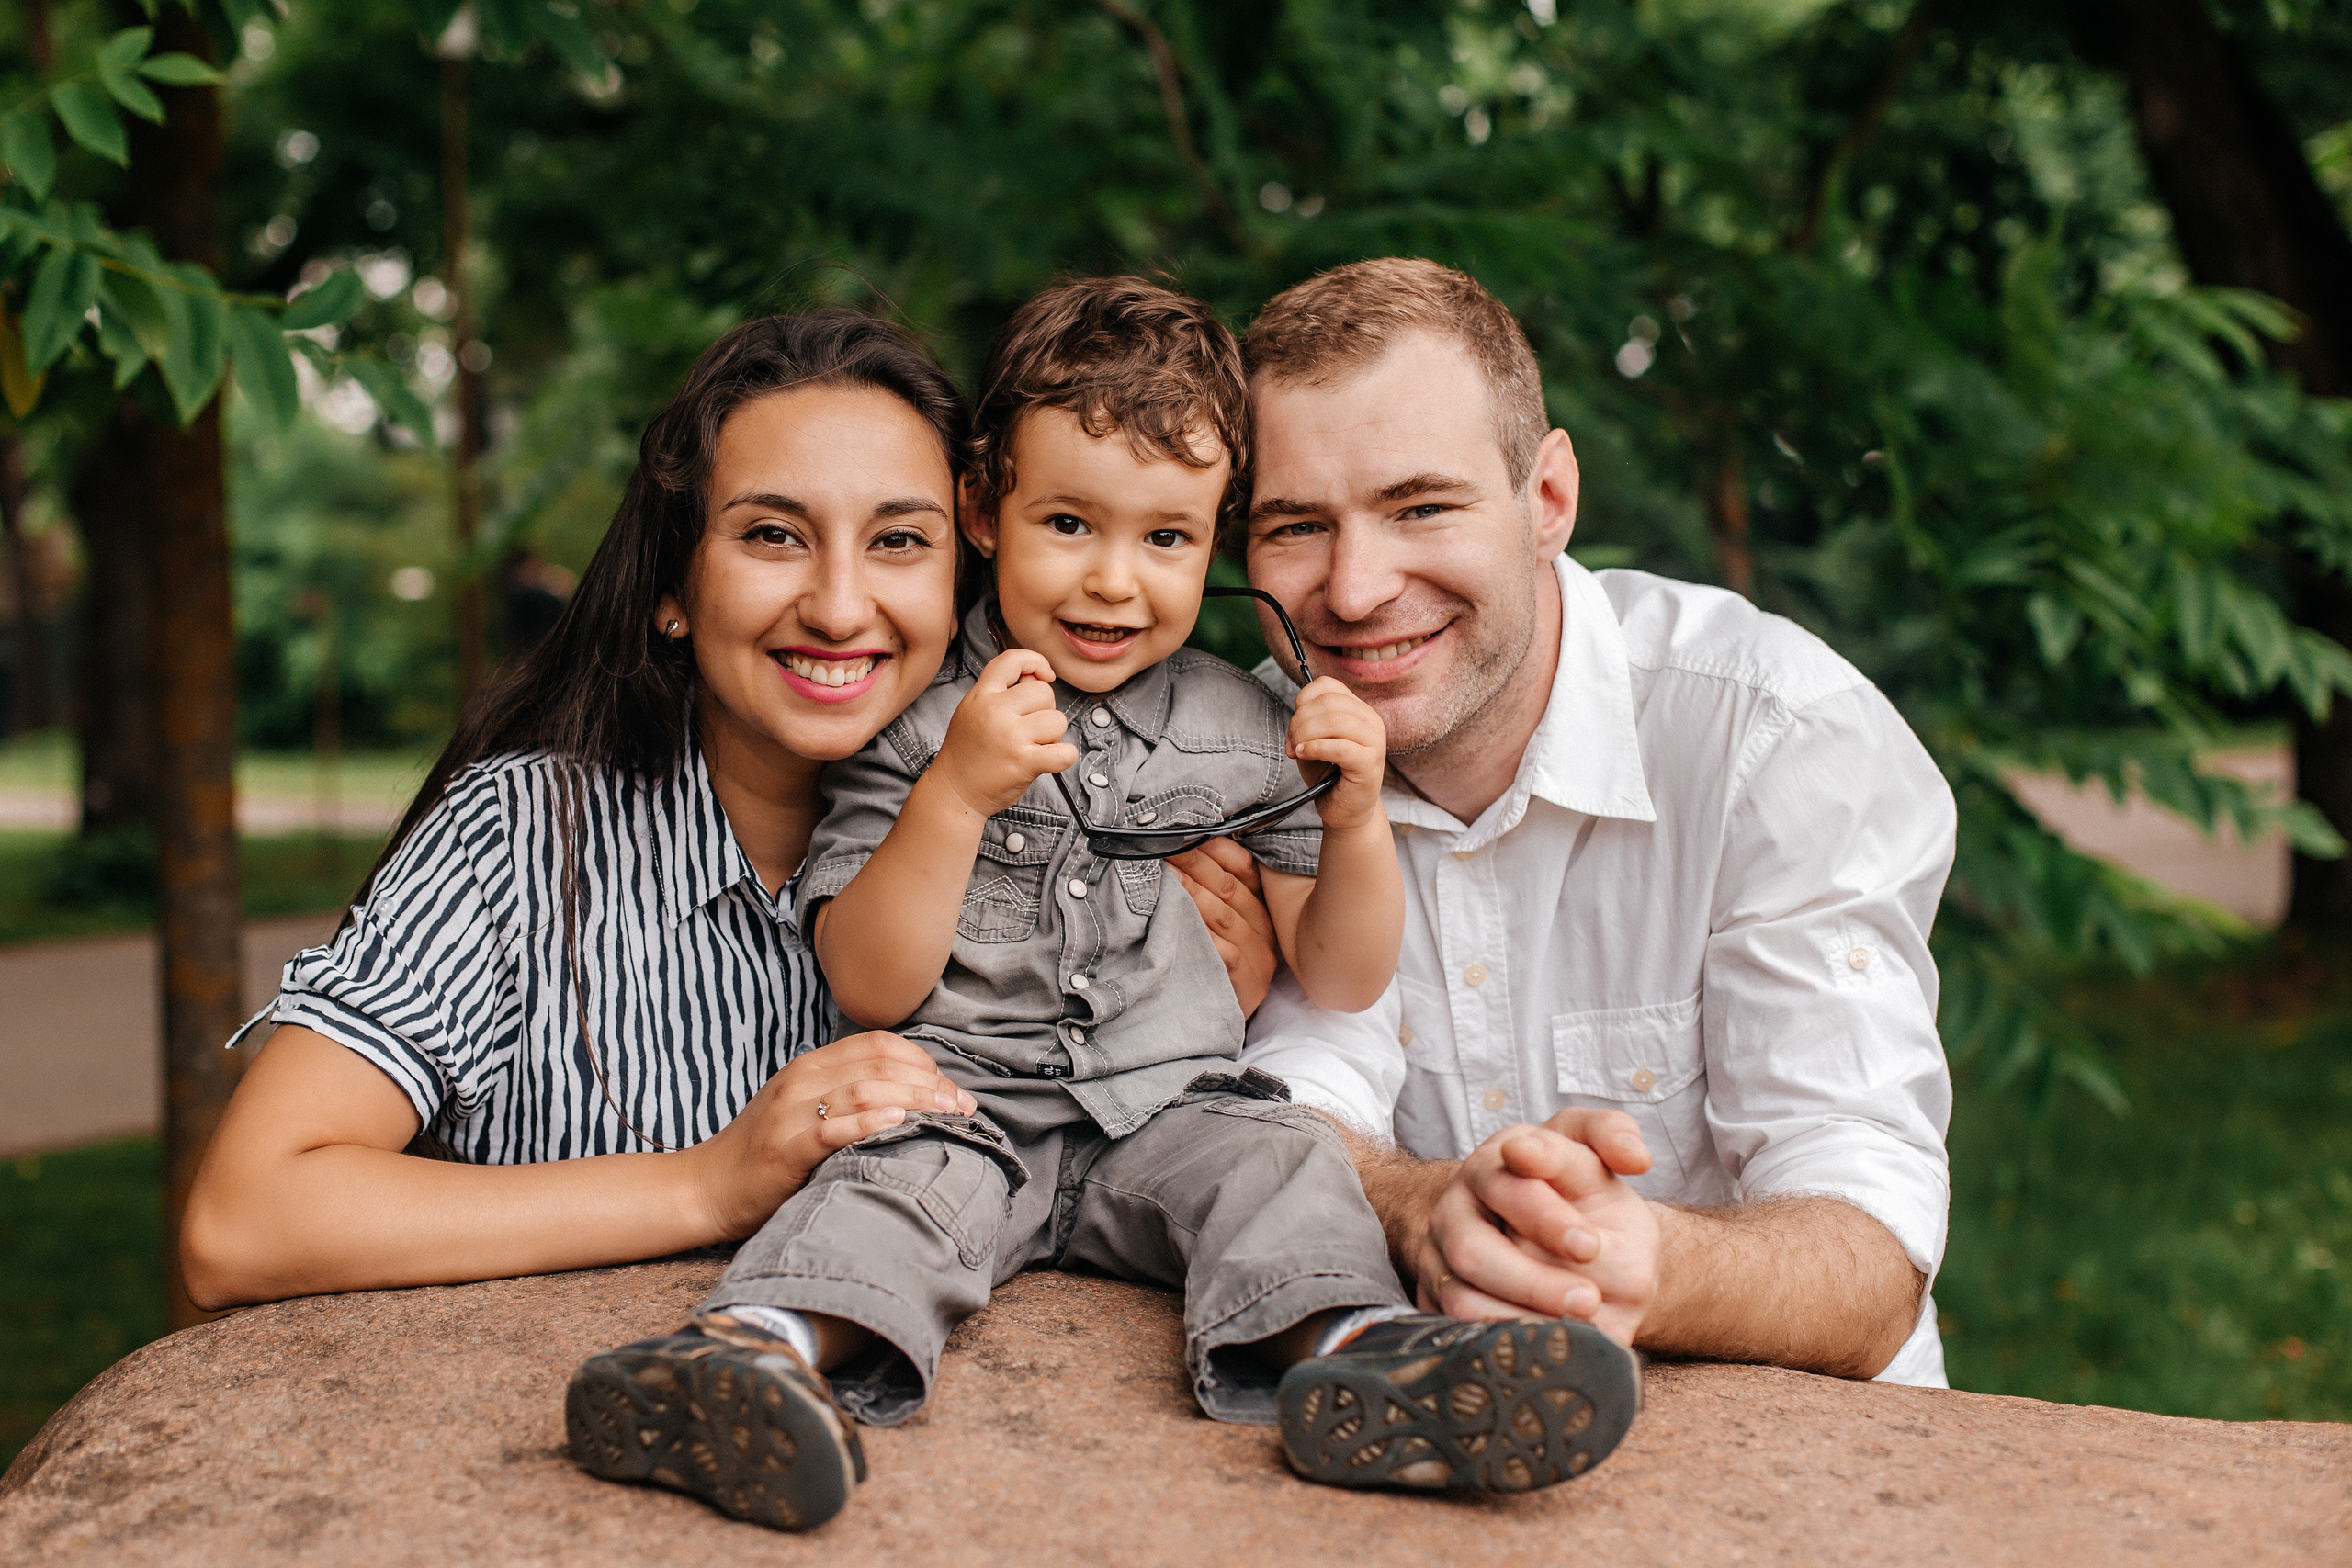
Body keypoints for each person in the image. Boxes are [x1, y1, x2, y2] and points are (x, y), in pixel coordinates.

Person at [564, 278, 1641, 1533]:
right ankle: (750, 1357)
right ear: (985, 507)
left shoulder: (1245, 725)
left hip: (1165, 1112)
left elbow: (1343, 974)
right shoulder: (916, 718)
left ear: (1216, 539)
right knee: (883, 1191)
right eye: (1069, 522)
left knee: (1284, 1158)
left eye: (1166, 539)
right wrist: (955, 794)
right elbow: (867, 979)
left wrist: (1352, 822)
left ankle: (1365, 1357)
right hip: (962, 1106)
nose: (1114, 582)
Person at [175, 314, 1243, 1354]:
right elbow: (242, 1222)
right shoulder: (520, 839)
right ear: (673, 586)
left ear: (961, 568)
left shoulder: (1098, 834)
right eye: (773, 535)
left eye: (897, 541)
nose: (839, 607)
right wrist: (704, 1184)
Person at [1209, 258, 1956, 1386]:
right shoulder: (1227, 760)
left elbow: (1871, 1257)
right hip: (1429, 1415)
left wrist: (1627, 1263)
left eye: (1421, 507)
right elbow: (1280, 1099)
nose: (1354, 591)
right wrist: (1421, 1207)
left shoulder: (1774, 737)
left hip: (1801, 1440)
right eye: (1297, 526)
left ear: (1548, 500)